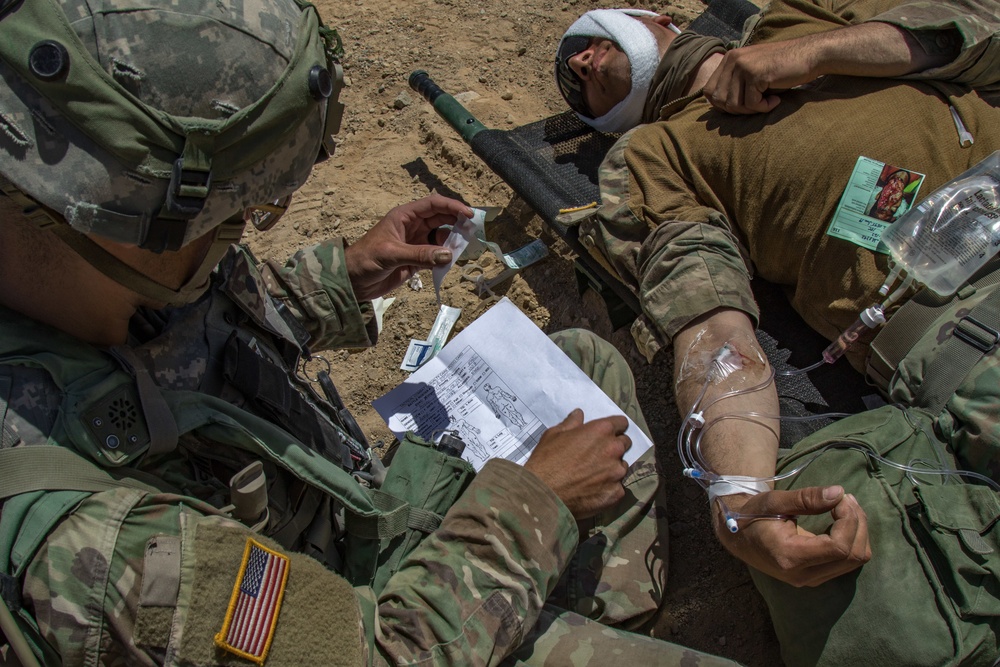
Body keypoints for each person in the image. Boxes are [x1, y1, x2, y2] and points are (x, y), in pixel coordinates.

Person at [0, 0, 743, 665]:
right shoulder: (87, 543)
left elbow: (192, 342)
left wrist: (344, 275)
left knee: (582, 364)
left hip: (359, 517)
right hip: (367, 618)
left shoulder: (93, 263)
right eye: (240, 214)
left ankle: (563, 609)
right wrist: (534, 502)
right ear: (108, 213)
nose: (247, 232)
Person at [558, 0, 1000, 665]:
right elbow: (709, 326)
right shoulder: (654, 155)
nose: (579, 61)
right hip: (964, 336)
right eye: (573, 81)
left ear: (660, 15)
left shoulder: (802, 15)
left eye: (587, 40)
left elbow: (978, 32)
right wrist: (738, 500)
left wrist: (815, 53)